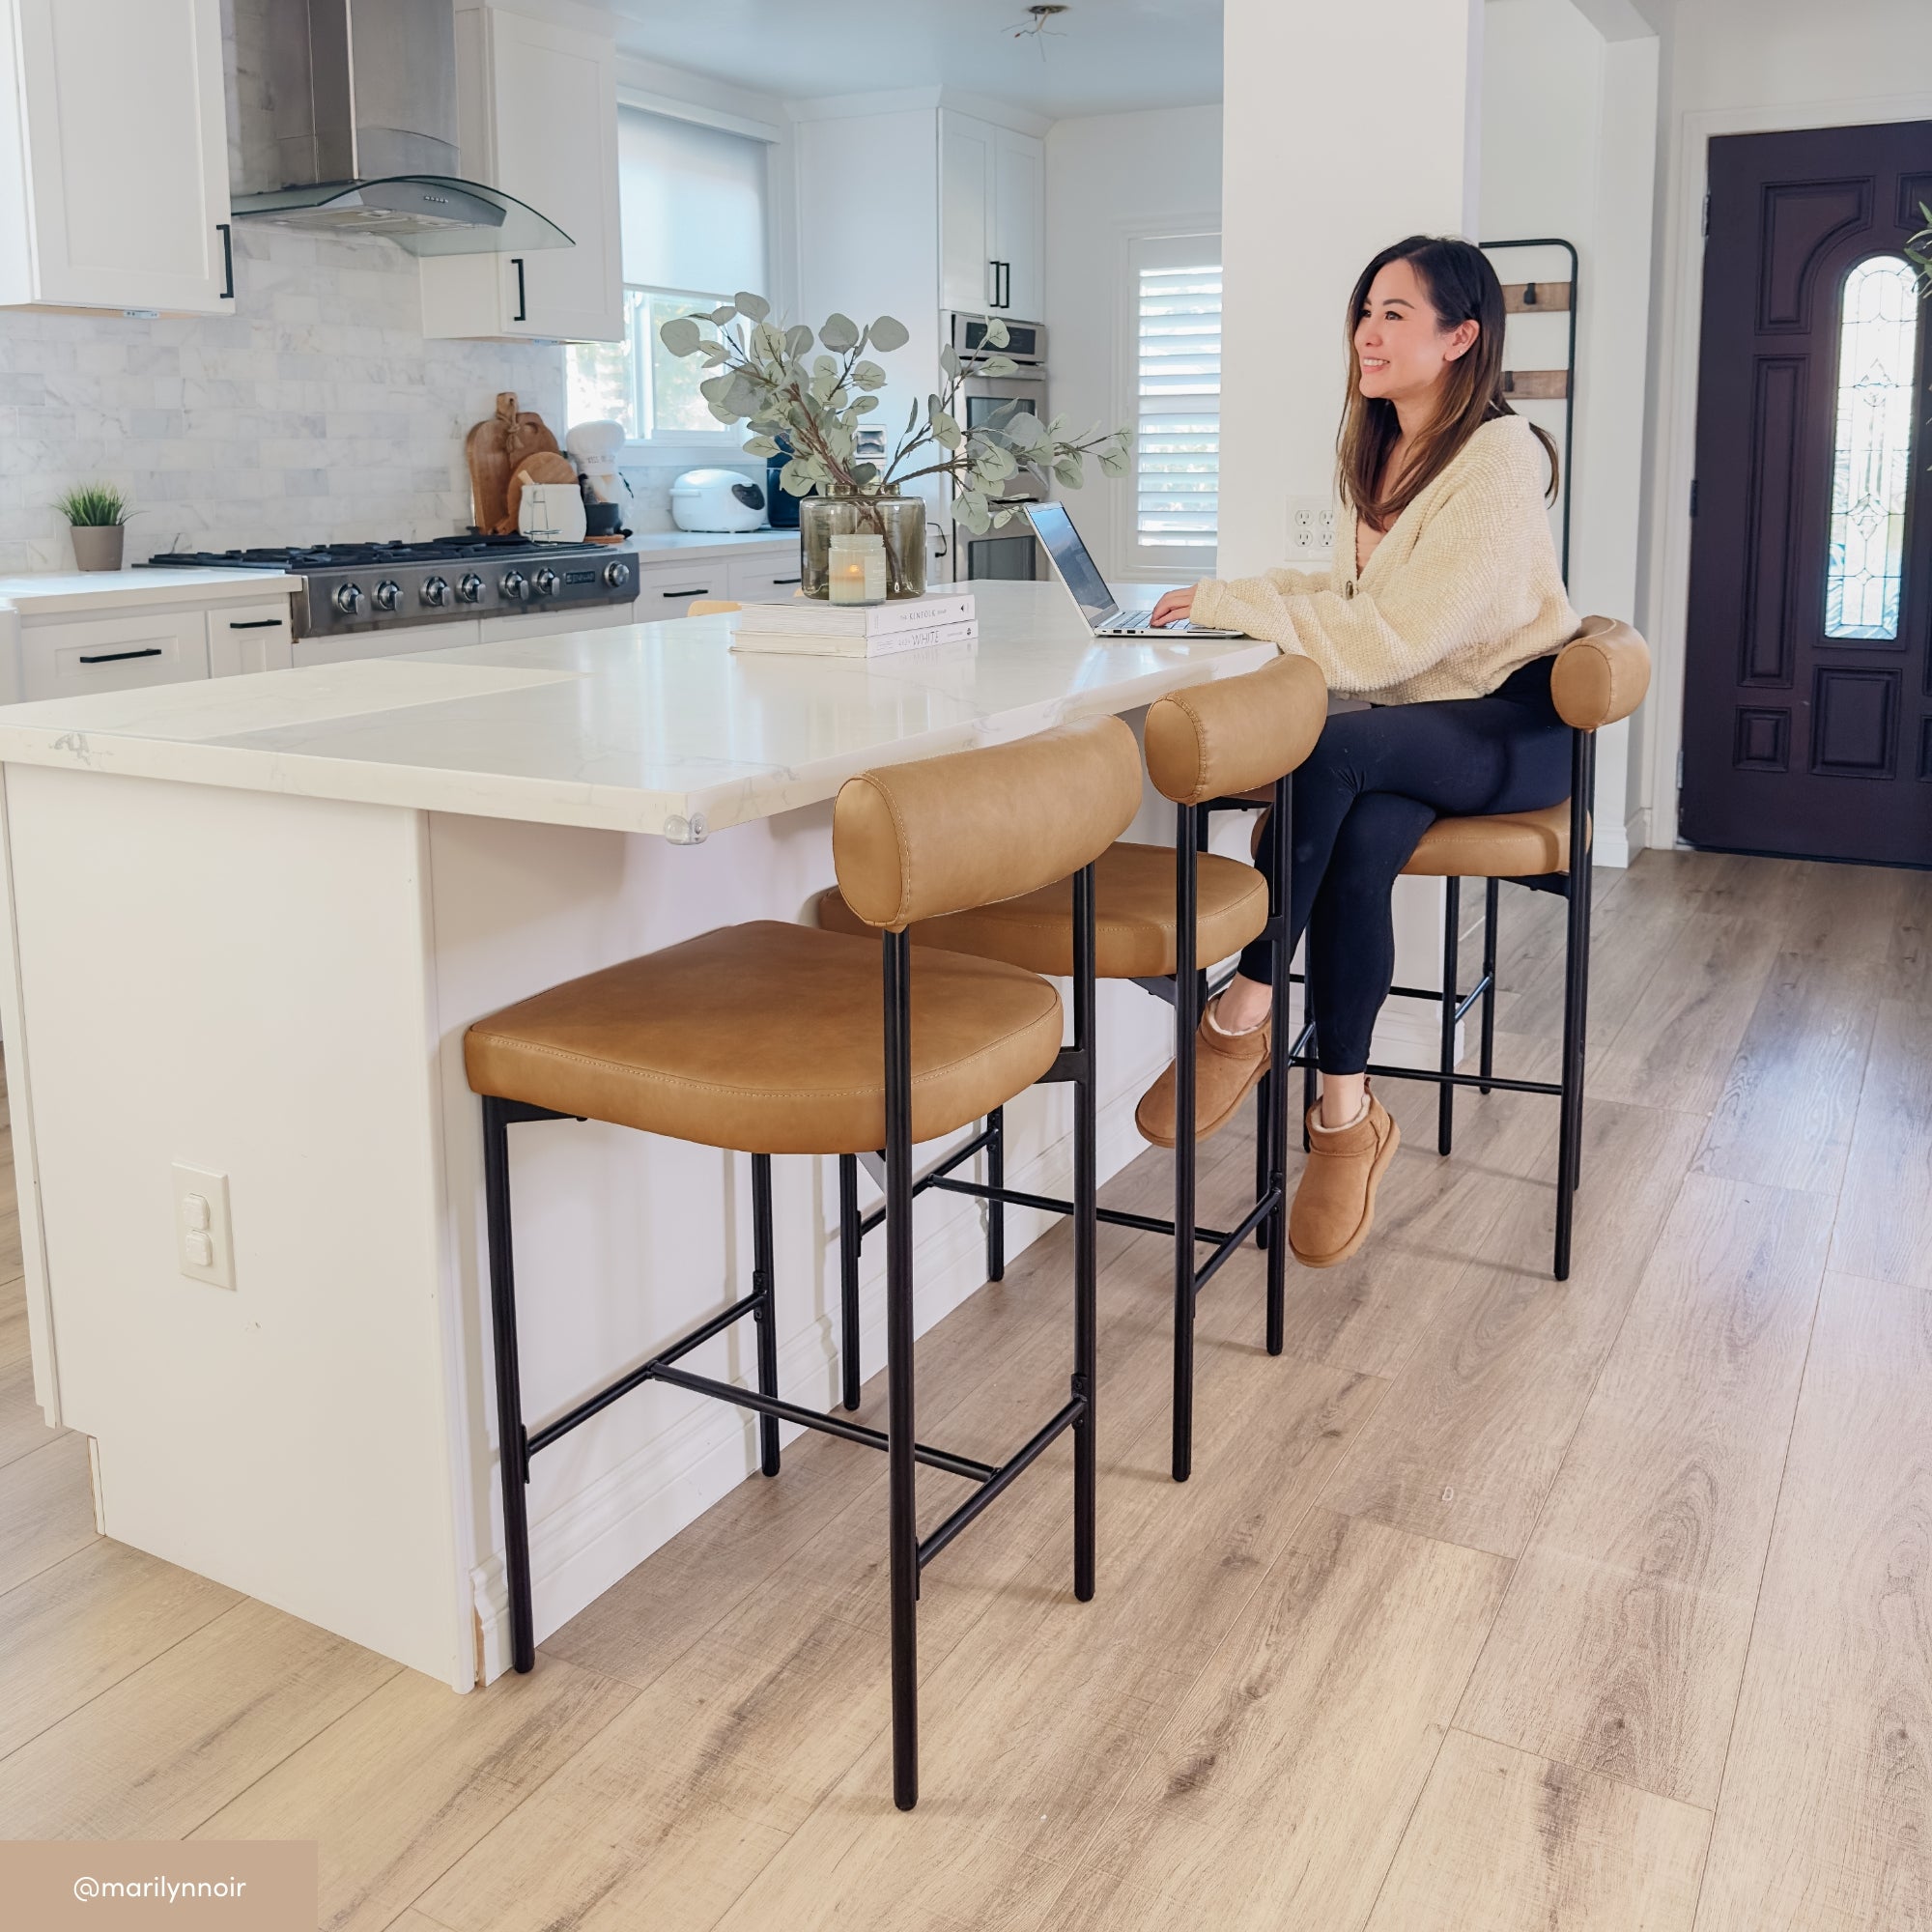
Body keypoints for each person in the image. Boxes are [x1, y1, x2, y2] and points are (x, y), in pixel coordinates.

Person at [1135, 234, 1578, 1269]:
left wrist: (1230, 602)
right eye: (1362, 310)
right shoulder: (1376, 447)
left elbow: (1390, 644)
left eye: (1393, 314)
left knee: (1325, 753)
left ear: (1459, 337)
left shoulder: (1500, 459)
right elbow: (1350, 601)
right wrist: (1223, 595)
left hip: (1511, 727)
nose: (1364, 333)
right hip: (1422, 729)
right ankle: (1344, 1110)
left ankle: (1242, 1006)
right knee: (1361, 833)